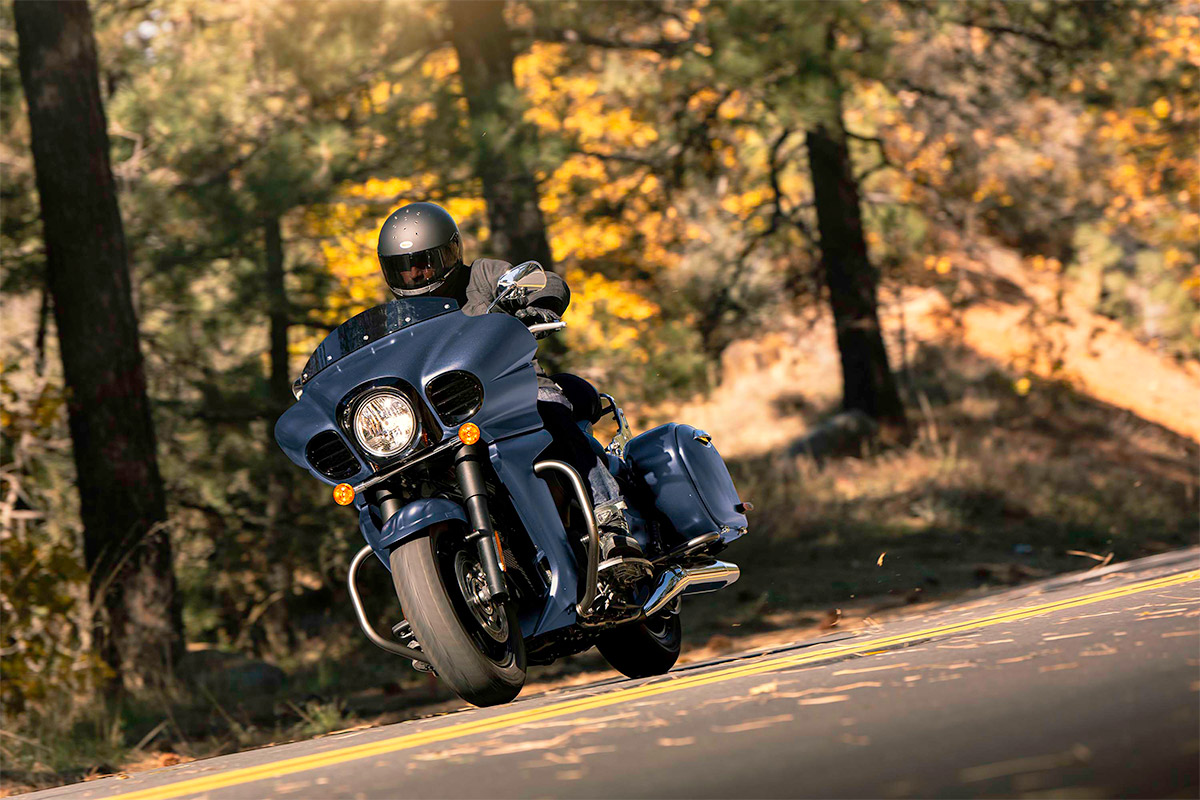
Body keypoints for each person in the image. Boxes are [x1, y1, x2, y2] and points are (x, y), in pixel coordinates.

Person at [376, 201, 640, 567]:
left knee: (548, 410)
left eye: (426, 261)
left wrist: (538, 302)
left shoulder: (482, 276)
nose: (418, 273)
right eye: (405, 268)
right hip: (446, 422)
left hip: (514, 391)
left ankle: (610, 519)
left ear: (449, 253)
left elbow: (544, 281)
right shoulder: (395, 322)